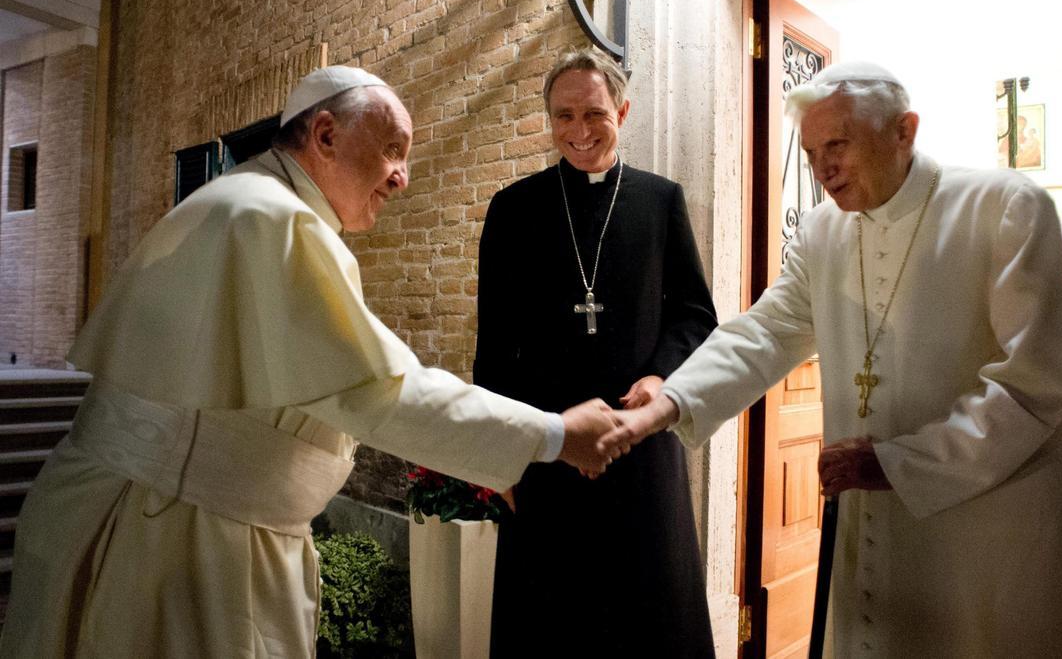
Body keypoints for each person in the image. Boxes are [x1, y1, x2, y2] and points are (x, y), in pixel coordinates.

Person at [0, 66, 631, 658]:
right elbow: (379, 394)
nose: (401, 177)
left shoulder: (248, 203)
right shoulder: (275, 220)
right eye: (393, 151)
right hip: (178, 541)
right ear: (326, 135)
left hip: (177, 520)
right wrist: (553, 434)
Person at [607, 62, 1062, 656]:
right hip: (875, 506)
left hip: (994, 522)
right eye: (811, 152)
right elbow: (765, 331)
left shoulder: (1004, 207)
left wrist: (899, 462)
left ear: (904, 131)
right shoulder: (822, 232)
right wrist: (669, 401)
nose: (822, 169)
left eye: (836, 144)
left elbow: (1034, 387)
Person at [475, 48, 719, 657]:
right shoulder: (512, 209)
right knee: (552, 626)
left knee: (649, 622)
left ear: (623, 111)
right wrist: (499, 454)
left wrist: (662, 375)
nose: (579, 132)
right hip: (546, 445)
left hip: (638, 442)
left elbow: (694, 313)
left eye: (594, 114)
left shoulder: (661, 201)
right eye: (563, 116)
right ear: (549, 118)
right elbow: (495, 345)